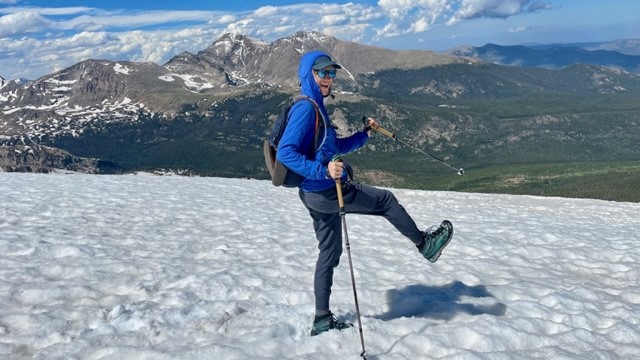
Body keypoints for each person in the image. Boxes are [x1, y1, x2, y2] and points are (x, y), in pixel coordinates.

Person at [276, 50, 454, 336]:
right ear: (308, 74)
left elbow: (333, 148)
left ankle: (322, 319)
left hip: (314, 195)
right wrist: (324, 172)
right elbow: (286, 153)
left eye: (332, 72)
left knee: (329, 252)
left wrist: (365, 134)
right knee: (385, 201)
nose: (328, 78)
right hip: (325, 191)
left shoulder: (317, 107)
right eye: (322, 72)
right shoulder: (306, 109)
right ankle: (425, 244)